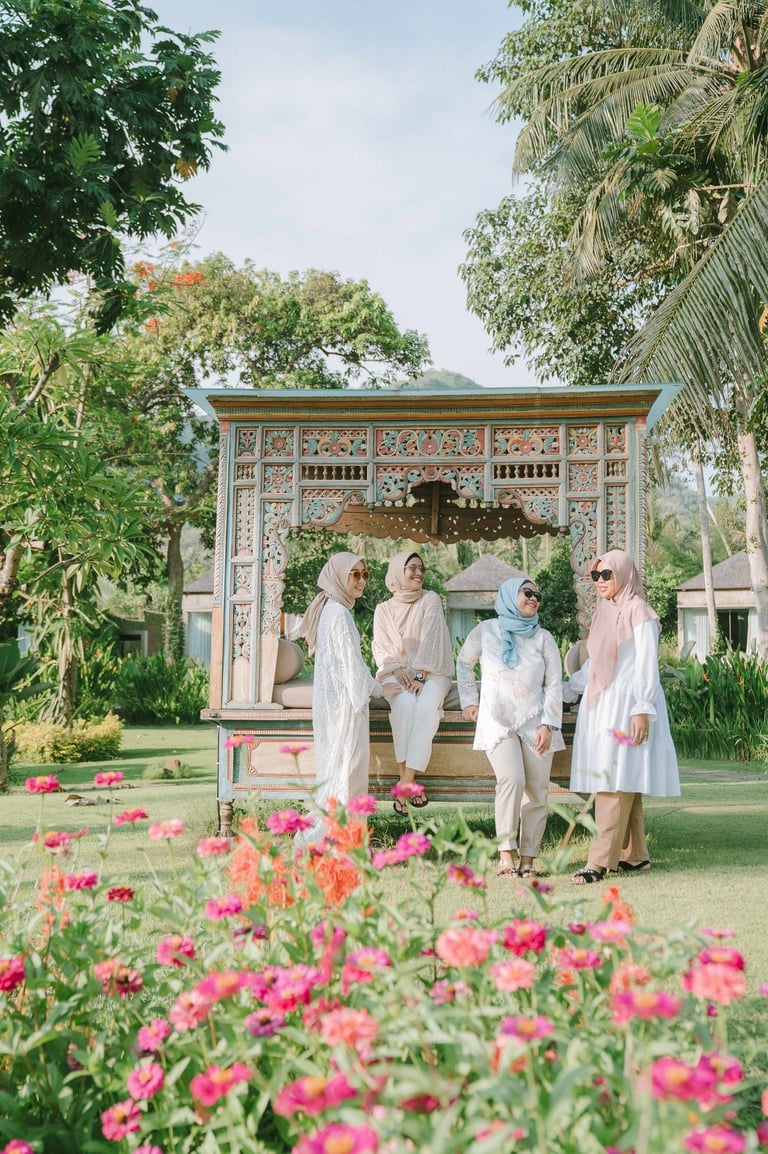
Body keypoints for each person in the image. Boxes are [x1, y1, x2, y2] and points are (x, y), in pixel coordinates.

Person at [563, 549, 680, 884]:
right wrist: (562, 693)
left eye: (607, 575)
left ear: (624, 575)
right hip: (602, 706)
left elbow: (646, 663)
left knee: (612, 780)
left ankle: (598, 862)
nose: (600, 582)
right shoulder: (604, 612)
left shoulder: (639, 611)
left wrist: (642, 707)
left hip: (628, 704)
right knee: (623, 778)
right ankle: (636, 856)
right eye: (596, 576)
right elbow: (593, 667)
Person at [456, 576, 564, 878]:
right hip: (497, 721)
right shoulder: (487, 630)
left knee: (537, 790)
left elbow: (554, 684)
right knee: (512, 778)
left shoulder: (544, 637)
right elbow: (464, 663)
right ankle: (506, 854)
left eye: (537, 595)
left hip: (537, 723)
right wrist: (468, 701)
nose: (534, 598)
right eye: (527, 592)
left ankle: (529, 859)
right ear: (508, 595)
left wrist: (548, 724)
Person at [296, 552, 377, 848]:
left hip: (337, 705)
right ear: (339, 577)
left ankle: (339, 841)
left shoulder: (334, 609)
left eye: (364, 574)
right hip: (346, 708)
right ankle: (337, 842)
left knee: (339, 774)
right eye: (354, 575)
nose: (360, 581)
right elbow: (350, 667)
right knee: (347, 774)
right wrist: (376, 690)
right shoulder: (339, 614)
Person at [372, 551, 454, 814]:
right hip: (397, 673)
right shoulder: (382, 610)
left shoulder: (429, 600)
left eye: (422, 568)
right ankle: (410, 783)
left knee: (426, 708)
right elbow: (382, 648)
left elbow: (432, 639)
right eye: (412, 568)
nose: (418, 573)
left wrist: (419, 674)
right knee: (405, 705)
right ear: (399, 572)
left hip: (432, 671)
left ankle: (404, 784)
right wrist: (398, 670)